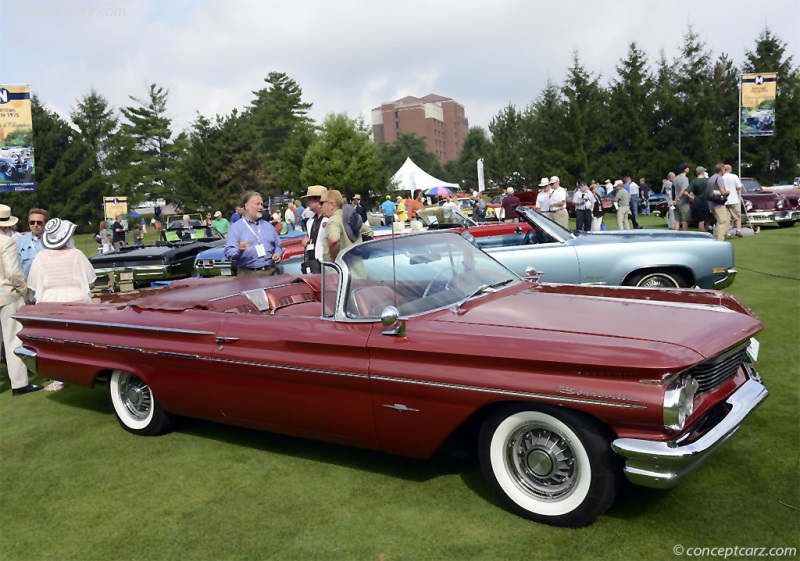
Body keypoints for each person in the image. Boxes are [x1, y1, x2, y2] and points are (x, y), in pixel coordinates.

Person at [28, 218, 97, 392]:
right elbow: (91, 280)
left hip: (50, 302)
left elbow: (34, 284)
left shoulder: (41, 256)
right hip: (76, 300)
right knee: (81, 339)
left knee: (55, 342)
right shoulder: (76, 254)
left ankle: (59, 379)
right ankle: (86, 371)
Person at [0, 205, 43, 396]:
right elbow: (13, 274)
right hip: (8, 295)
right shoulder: (7, 242)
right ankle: (19, 384)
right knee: (13, 340)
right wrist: (25, 292)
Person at [223, 192, 283, 277]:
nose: (261, 207)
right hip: (248, 275)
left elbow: (278, 246)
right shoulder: (236, 228)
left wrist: (278, 253)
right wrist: (239, 250)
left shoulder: (268, 226)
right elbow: (228, 252)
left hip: (271, 272)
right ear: (247, 206)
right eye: (257, 204)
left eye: (261, 204)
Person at [321, 189, 373, 261]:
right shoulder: (349, 217)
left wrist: (333, 259)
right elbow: (369, 232)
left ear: (332, 205)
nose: (321, 206)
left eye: (322, 203)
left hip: (339, 270)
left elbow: (334, 240)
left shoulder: (333, 221)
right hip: (357, 267)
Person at [300, 185, 328, 274]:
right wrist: (306, 239)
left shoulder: (330, 219)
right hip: (312, 264)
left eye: (310, 199)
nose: (308, 203)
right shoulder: (311, 221)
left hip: (326, 264)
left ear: (319, 201)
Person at [16, 207, 47, 278]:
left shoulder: (53, 240)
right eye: (32, 222)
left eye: (39, 222)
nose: (35, 225)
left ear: (45, 223)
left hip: (47, 285)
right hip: (27, 285)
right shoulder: (20, 241)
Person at [706, 164, 730, 241]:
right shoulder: (719, 178)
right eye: (724, 169)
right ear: (721, 170)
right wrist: (728, 192)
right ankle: (719, 240)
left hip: (711, 202)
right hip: (718, 203)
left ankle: (715, 238)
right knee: (723, 221)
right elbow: (722, 192)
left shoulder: (711, 178)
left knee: (718, 222)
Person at [723, 164, 744, 237]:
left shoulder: (721, 177)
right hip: (733, 199)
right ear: (730, 170)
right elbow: (739, 187)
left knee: (727, 218)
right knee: (737, 216)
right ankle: (738, 230)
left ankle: (728, 233)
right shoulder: (734, 176)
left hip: (724, 200)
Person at [689, 166, 709, 232]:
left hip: (698, 202)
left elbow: (687, 192)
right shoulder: (708, 180)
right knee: (707, 219)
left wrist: (693, 197)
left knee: (701, 220)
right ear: (702, 172)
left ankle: (703, 234)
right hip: (707, 202)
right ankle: (707, 232)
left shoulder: (694, 181)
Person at [673, 164, 691, 231]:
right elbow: (683, 191)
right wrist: (678, 199)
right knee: (685, 220)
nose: (688, 169)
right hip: (683, 202)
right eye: (687, 168)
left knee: (677, 220)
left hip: (675, 202)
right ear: (685, 169)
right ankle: (685, 235)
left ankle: (676, 233)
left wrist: (674, 200)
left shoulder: (676, 178)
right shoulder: (685, 179)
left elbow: (673, 190)